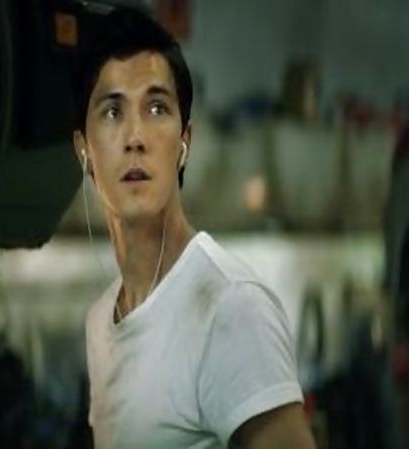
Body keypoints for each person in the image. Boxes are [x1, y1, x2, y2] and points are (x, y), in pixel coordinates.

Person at [72, 7, 316, 449]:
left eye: (156, 108)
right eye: (112, 111)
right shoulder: (100, 322)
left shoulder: (230, 306)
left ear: (184, 142)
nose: (135, 137)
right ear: (83, 150)